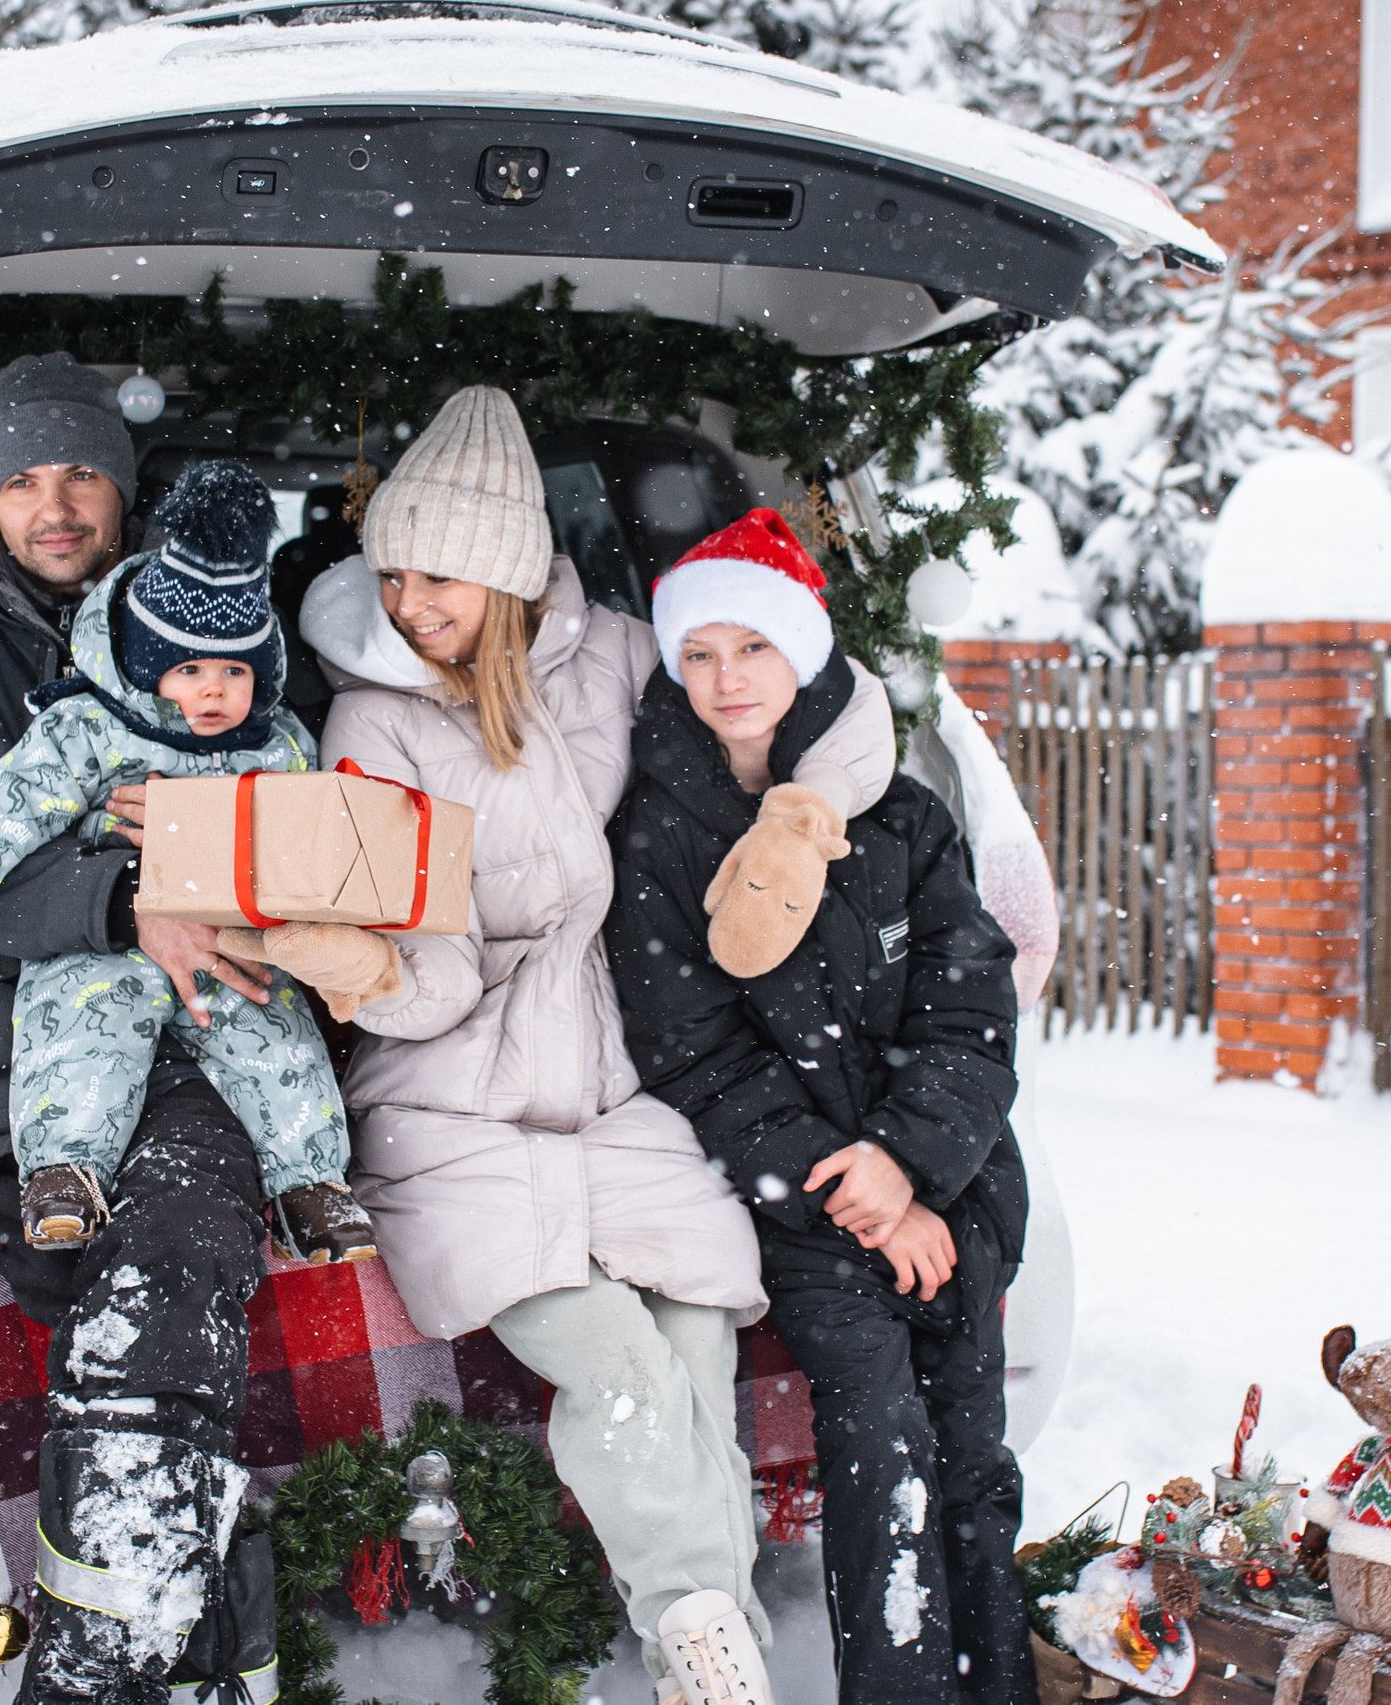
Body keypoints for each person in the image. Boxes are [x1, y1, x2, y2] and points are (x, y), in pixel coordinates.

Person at [227, 386, 896, 1705]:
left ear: (514, 570)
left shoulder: (630, 655)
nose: (414, 601)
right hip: (444, 1088)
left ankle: (707, 1629)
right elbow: (425, 986)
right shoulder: (374, 719)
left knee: (701, 1316)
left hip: (615, 1069)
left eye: (444, 576)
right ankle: (706, 1631)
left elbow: (830, 696)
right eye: (398, 571)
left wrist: (800, 810)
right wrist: (355, 960)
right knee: (615, 1352)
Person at [0, 354, 279, 1705]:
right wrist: (122, 891)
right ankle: (201, 1656)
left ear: (124, 483)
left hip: (192, 1027)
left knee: (185, 1241)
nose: (56, 503)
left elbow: (288, 806)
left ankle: (99, 1669)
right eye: (22, 478)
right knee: (116, 1298)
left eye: (82, 470)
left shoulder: (210, 637)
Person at [600, 508, 1036, 1705]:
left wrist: (911, 1161)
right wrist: (858, 1192)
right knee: (880, 1454)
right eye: (697, 654)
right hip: (810, 1208)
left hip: (953, 1186)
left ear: (803, 653)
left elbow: (972, 1005)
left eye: (751, 648)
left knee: (970, 1457)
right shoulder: (661, 837)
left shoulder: (896, 813)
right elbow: (694, 1054)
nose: (725, 679)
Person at [0, 460, 373, 1262]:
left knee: (278, 1042)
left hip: (229, 936)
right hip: (107, 934)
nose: (214, 689)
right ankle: (63, 1174)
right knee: (81, 1033)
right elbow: (20, 800)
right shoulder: (91, 726)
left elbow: (314, 834)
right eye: (189, 668)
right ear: (150, 663)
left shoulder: (278, 741)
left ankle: (311, 1187)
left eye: (233, 669)